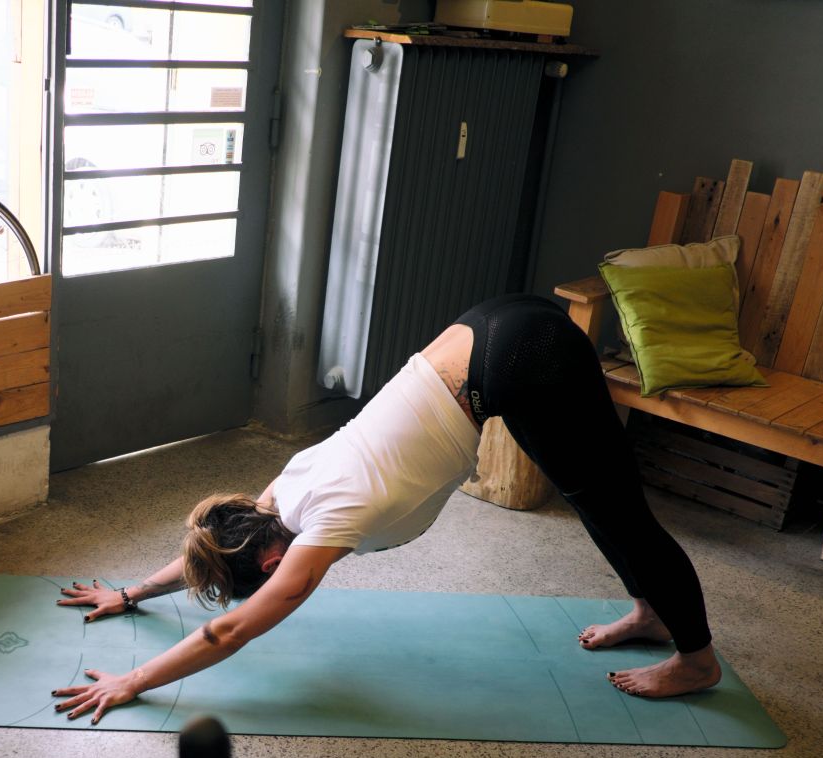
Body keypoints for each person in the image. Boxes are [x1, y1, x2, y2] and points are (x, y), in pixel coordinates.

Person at [53, 294, 722, 724]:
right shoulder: (278, 497)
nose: (278, 581)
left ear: (273, 557)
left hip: (519, 360)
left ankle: (696, 659)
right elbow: (211, 547)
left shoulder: (322, 524)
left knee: (620, 513)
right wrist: (130, 593)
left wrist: (131, 682)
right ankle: (651, 611)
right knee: (595, 500)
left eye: (267, 577)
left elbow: (230, 633)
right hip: (492, 325)